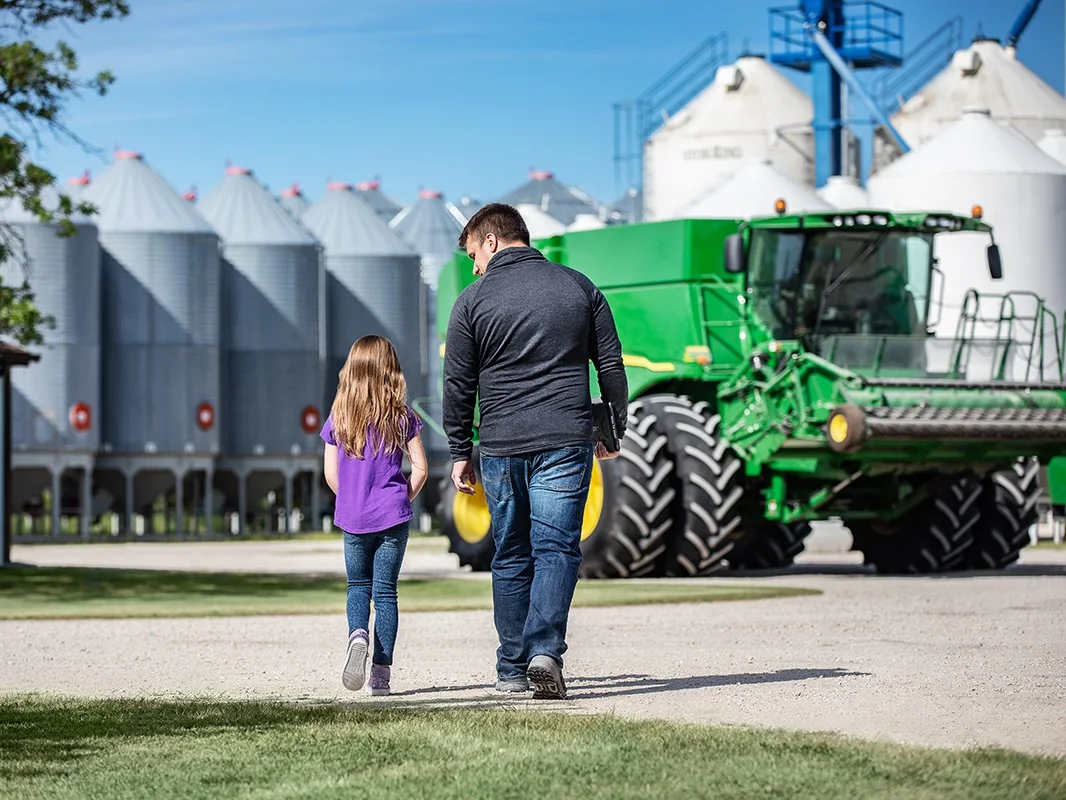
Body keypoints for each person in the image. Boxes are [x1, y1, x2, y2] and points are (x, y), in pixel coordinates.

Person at [442, 202, 628, 700]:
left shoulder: (471, 301)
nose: (474, 266)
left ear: (492, 240)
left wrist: (460, 448)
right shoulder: (579, 287)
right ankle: (545, 652)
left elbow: (457, 384)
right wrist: (613, 428)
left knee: (511, 553)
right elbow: (610, 362)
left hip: (501, 445)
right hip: (567, 439)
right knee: (557, 548)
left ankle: (510, 668)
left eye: (473, 255)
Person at [321, 334, 428, 697]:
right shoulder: (402, 417)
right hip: (392, 519)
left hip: (353, 517)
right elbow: (421, 469)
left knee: (357, 587)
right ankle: (380, 675)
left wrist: (354, 499)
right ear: (390, 370)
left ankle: (357, 635)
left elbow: (330, 475)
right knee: (386, 595)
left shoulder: (339, 417)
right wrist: (401, 499)